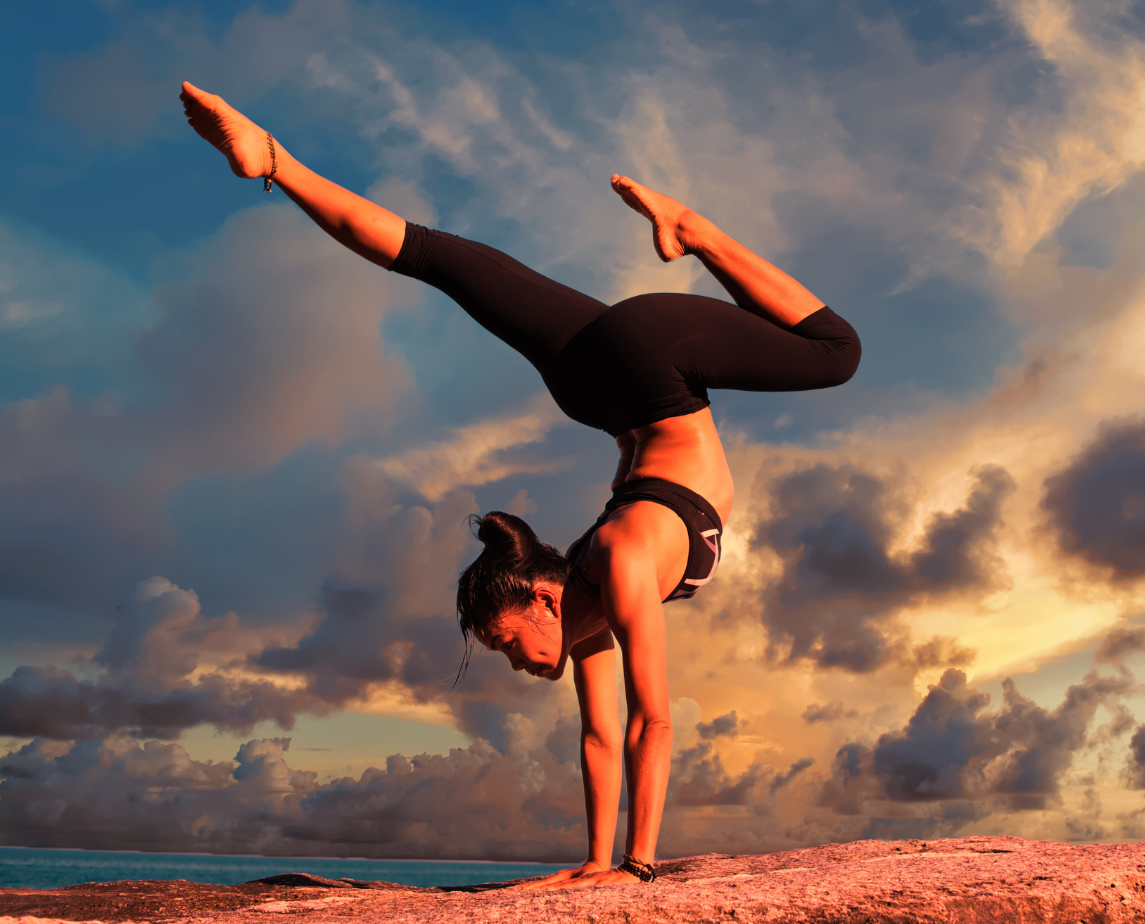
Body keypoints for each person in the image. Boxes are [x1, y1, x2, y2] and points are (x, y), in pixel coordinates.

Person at [180, 81, 860, 889]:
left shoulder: (619, 560)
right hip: (595, 383)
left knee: (835, 352)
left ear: (543, 597)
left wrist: (638, 868)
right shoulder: (590, 602)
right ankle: (276, 162)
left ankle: (693, 229)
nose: (515, 664)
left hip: (654, 367)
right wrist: (594, 866)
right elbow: (602, 736)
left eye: (506, 642)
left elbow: (655, 719)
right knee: (432, 256)